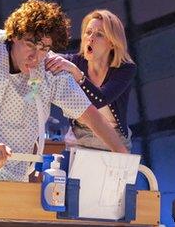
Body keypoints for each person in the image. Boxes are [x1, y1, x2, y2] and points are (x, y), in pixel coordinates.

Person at [0, 0, 128, 182]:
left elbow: (87, 112)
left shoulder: (48, 66)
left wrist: (121, 152)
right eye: (30, 45)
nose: (35, 57)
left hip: (17, 171)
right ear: (14, 35)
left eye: (44, 48)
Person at [45, 9, 136, 151]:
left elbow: (101, 100)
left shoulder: (125, 69)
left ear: (112, 43)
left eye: (99, 34)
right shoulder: (74, 61)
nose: (91, 38)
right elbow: (43, 56)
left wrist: (78, 75)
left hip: (115, 139)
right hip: (79, 138)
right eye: (88, 32)